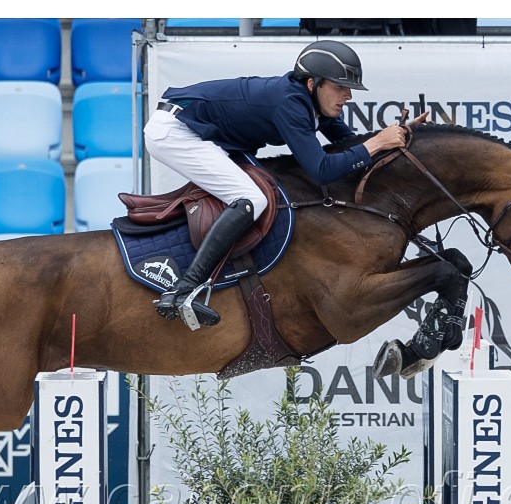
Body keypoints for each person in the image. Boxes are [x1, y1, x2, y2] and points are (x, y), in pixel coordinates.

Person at [143, 40, 410, 329]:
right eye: (339, 87)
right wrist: (376, 142)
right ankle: (185, 290)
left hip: (200, 133)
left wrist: (403, 138)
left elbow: (349, 145)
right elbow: (321, 170)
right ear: (312, 84)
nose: (347, 96)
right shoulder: (290, 103)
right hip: (175, 132)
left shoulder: (311, 103)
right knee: (251, 198)